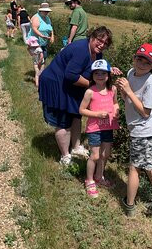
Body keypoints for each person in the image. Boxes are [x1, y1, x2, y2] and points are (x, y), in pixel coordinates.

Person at [39, 26, 122, 166]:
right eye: (99, 40)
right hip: (57, 84)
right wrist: (92, 84)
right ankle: (65, 156)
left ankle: (76, 147)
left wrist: (109, 69)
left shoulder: (97, 53)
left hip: (71, 85)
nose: (101, 45)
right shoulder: (81, 50)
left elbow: (96, 68)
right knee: (63, 120)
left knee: (76, 115)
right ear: (92, 37)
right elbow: (71, 75)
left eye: (105, 44)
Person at [117, 43, 152, 216]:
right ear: (134, 58)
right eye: (139, 59)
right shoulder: (131, 72)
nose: (141, 64)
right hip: (140, 130)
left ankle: (129, 205)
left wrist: (129, 91)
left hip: (145, 131)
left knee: (134, 168)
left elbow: (145, 112)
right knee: (149, 166)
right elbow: (127, 99)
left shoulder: (150, 83)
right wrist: (122, 90)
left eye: (147, 62)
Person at [79, 59, 119, 198]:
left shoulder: (112, 89)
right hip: (94, 127)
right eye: (97, 73)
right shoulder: (90, 92)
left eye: (103, 73)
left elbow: (115, 103)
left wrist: (116, 110)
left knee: (105, 154)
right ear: (92, 75)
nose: (100, 75)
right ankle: (89, 180)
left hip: (108, 126)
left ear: (108, 75)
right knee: (95, 155)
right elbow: (82, 110)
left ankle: (99, 176)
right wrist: (96, 114)